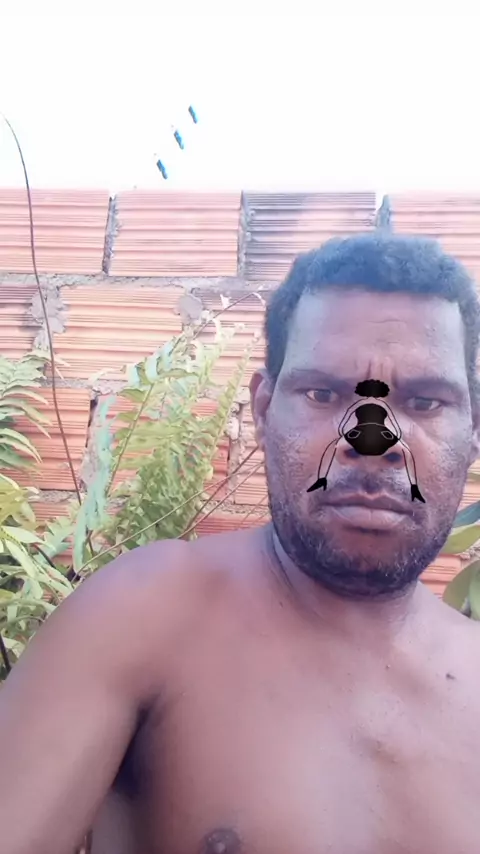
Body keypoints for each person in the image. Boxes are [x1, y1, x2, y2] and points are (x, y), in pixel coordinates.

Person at [1, 232, 480, 854]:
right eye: (323, 394)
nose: (373, 441)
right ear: (262, 409)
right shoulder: (147, 613)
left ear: (473, 430)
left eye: (425, 401)